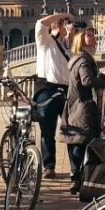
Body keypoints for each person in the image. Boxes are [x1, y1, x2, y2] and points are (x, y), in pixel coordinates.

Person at [59, 26, 105, 194]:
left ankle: (76, 176)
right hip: (83, 106)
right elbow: (87, 80)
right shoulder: (83, 60)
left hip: (75, 105)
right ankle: (80, 177)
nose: (93, 37)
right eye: (89, 35)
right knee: (81, 141)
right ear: (81, 41)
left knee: (76, 140)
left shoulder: (79, 58)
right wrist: (104, 84)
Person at [34, 13, 75, 179]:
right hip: (47, 89)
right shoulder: (45, 41)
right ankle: (49, 166)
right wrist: (64, 14)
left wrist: (71, 39)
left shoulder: (68, 47)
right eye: (61, 23)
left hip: (66, 90)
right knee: (47, 129)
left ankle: (76, 168)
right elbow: (40, 22)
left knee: (73, 131)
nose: (65, 24)